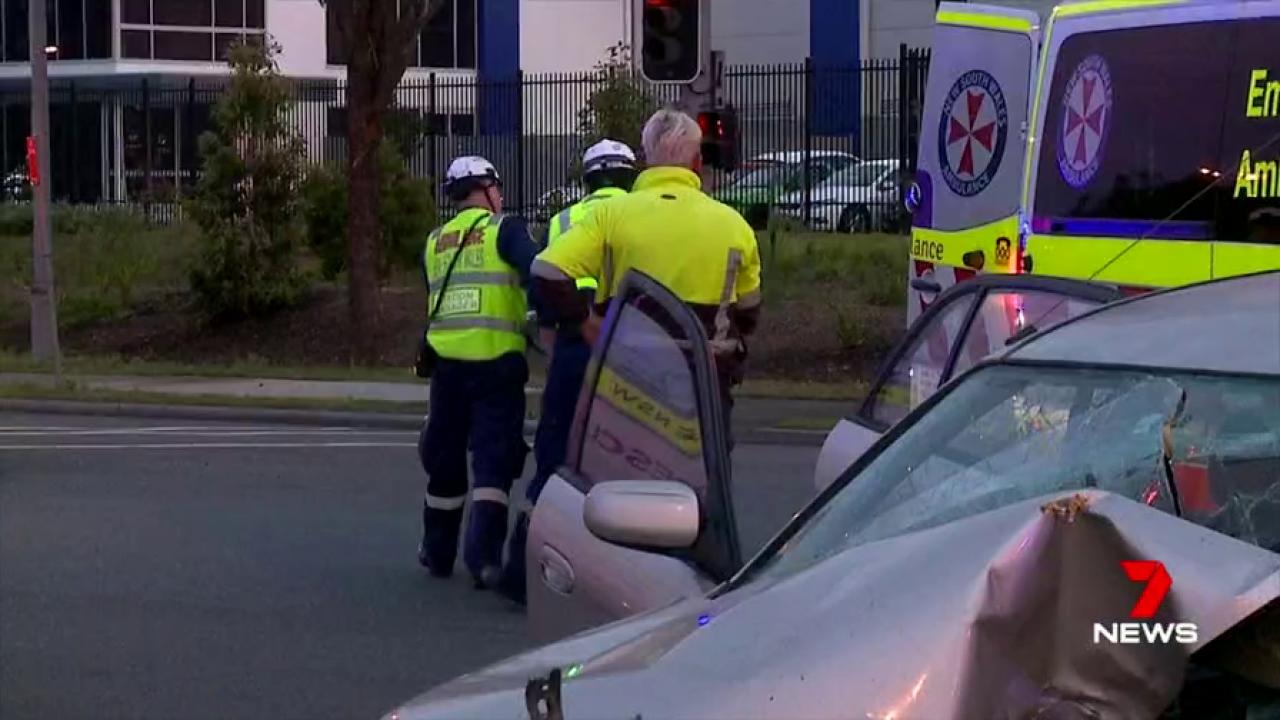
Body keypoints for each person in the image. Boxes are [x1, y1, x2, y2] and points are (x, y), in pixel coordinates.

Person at [492, 139, 639, 603]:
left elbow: (544, 281)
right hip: (631, 347)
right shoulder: (643, 213)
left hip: (575, 341)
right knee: (627, 462)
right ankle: (622, 582)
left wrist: (559, 337)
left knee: (555, 457)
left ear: (589, 179)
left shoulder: (563, 219)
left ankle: (521, 572)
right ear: (631, 176)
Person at [416, 155, 539, 589]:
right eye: (497, 189)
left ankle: (437, 551)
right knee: (493, 464)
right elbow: (537, 271)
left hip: (446, 369)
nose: (500, 197)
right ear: (487, 189)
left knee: (444, 464)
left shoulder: (435, 240)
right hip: (497, 366)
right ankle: (483, 560)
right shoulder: (506, 229)